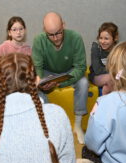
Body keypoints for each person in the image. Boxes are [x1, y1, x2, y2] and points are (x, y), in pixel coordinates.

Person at [32, 11, 89, 144]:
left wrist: (59, 83)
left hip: (69, 72)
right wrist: (41, 82)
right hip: (48, 73)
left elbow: (80, 67)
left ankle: (78, 124)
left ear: (63, 25)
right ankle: (48, 124)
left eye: (58, 32)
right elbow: (37, 67)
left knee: (84, 82)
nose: (56, 38)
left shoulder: (75, 38)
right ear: (44, 30)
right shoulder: (39, 40)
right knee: (35, 86)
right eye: (50, 35)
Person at [89, 22, 119, 95]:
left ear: (115, 38)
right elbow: (97, 70)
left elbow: (121, 68)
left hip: (113, 75)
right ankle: (104, 103)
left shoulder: (117, 49)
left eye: (106, 38)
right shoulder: (96, 47)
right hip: (96, 76)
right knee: (111, 79)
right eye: (100, 38)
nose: (102, 41)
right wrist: (114, 71)